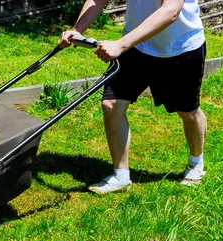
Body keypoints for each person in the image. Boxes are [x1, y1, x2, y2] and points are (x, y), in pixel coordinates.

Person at [59, 0, 207, 194]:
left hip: (181, 47)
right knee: (111, 104)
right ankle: (120, 176)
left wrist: (120, 45)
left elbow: (171, 11)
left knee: (187, 112)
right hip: (137, 46)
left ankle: (195, 162)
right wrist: (77, 30)